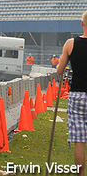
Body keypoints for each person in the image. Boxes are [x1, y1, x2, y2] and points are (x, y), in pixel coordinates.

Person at [57, 10, 87, 176]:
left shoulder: (70, 43)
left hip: (77, 96)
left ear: (82, 24)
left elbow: (60, 70)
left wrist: (58, 66)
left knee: (80, 141)